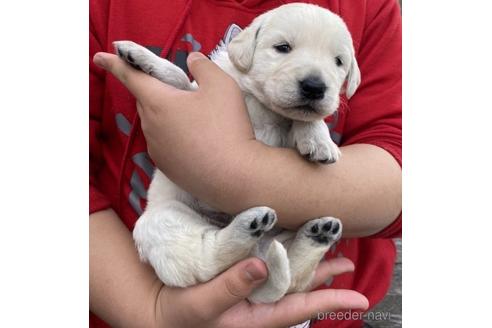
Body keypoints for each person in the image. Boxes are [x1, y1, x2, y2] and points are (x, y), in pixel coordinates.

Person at [89, 0, 402, 327]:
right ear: (246, 49)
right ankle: (224, 250)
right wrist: (151, 313)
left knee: (275, 249)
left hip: (303, 303)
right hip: (149, 288)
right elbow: (186, 97)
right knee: (156, 229)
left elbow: (397, 160)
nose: (315, 80)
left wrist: (237, 168)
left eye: (337, 61)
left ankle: (285, 264)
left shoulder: (370, 8)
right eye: (283, 47)